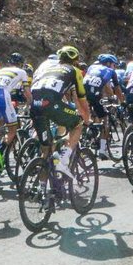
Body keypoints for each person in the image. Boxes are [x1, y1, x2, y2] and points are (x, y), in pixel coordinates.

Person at [29, 45, 93, 175]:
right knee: (78, 124)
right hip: (51, 104)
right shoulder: (75, 70)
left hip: (35, 106)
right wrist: (87, 119)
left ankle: (42, 188)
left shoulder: (48, 69)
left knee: (46, 151)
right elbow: (81, 99)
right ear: (75, 60)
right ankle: (64, 159)